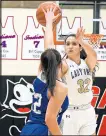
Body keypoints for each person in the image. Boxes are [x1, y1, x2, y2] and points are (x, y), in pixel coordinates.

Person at [42, 6, 98, 135]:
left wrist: (82, 41)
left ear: (80, 47)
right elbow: (48, 49)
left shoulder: (87, 63)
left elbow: (93, 55)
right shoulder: (64, 64)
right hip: (69, 112)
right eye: (67, 44)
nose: (70, 46)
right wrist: (49, 24)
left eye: (74, 43)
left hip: (88, 110)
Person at [20, 7, 68, 136]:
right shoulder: (60, 87)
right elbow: (49, 119)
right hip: (44, 131)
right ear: (59, 64)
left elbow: (48, 47)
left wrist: (48, 23)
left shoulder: (40, 76)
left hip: (28, 129)